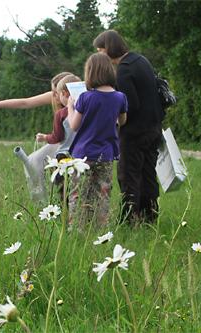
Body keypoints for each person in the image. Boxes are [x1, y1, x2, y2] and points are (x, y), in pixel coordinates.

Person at [93, 29, 164, 225]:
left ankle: (128, 221)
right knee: (148, 175)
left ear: (109, 48)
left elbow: (129, 105)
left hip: (134, 133)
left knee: (129, 176)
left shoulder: (124, 70)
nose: (99, 55)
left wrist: (113, 121)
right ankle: (150, 217)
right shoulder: (140, 60)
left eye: (100, 50)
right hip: (153, 128)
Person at [0, 72, 73, 200]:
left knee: (53, 169)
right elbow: (25, 103)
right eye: (53, 92)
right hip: (60, 141)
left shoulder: (81, 97)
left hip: (70, 143)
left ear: (65, 91)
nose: (54, 96)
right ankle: (42, 200)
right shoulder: (55, 96)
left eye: (56, 92)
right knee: (35, 161)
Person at [67, 52, 128, 228]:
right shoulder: (120, 97)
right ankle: (100, 230)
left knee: (78, 195)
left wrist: (71, 106)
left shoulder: (85, 97)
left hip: (82, 155)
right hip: (106, 154)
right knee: (102, 195)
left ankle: (76, 229)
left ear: (91, 73)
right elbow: (122, 121)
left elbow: (74, 125)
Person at [36, 74, 81, 198]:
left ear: (65, 93)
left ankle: (65, 213)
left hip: (64, 156)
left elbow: (57, 137)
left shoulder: (61, 114)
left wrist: (45, 137)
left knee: (64, 190)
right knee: (80, 189)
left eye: (58, 94)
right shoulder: (87, 111)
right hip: (82, 155)